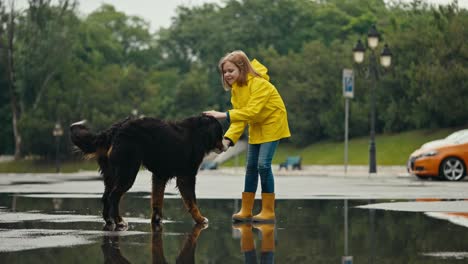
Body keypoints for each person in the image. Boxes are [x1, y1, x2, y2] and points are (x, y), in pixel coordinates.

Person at [204, 50, 290, 222]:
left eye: (230, 71)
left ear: (242, 69)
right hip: (257, 124)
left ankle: (268, 211)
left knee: (263, 165)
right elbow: (240, 118)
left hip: (273, 123)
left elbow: (251, 111)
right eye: (224, 72)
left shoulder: (260, 84)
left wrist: (222, 115)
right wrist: (227, 141)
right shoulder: (237, 90)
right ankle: (246, 210)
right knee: (251, 167)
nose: (227, 74)